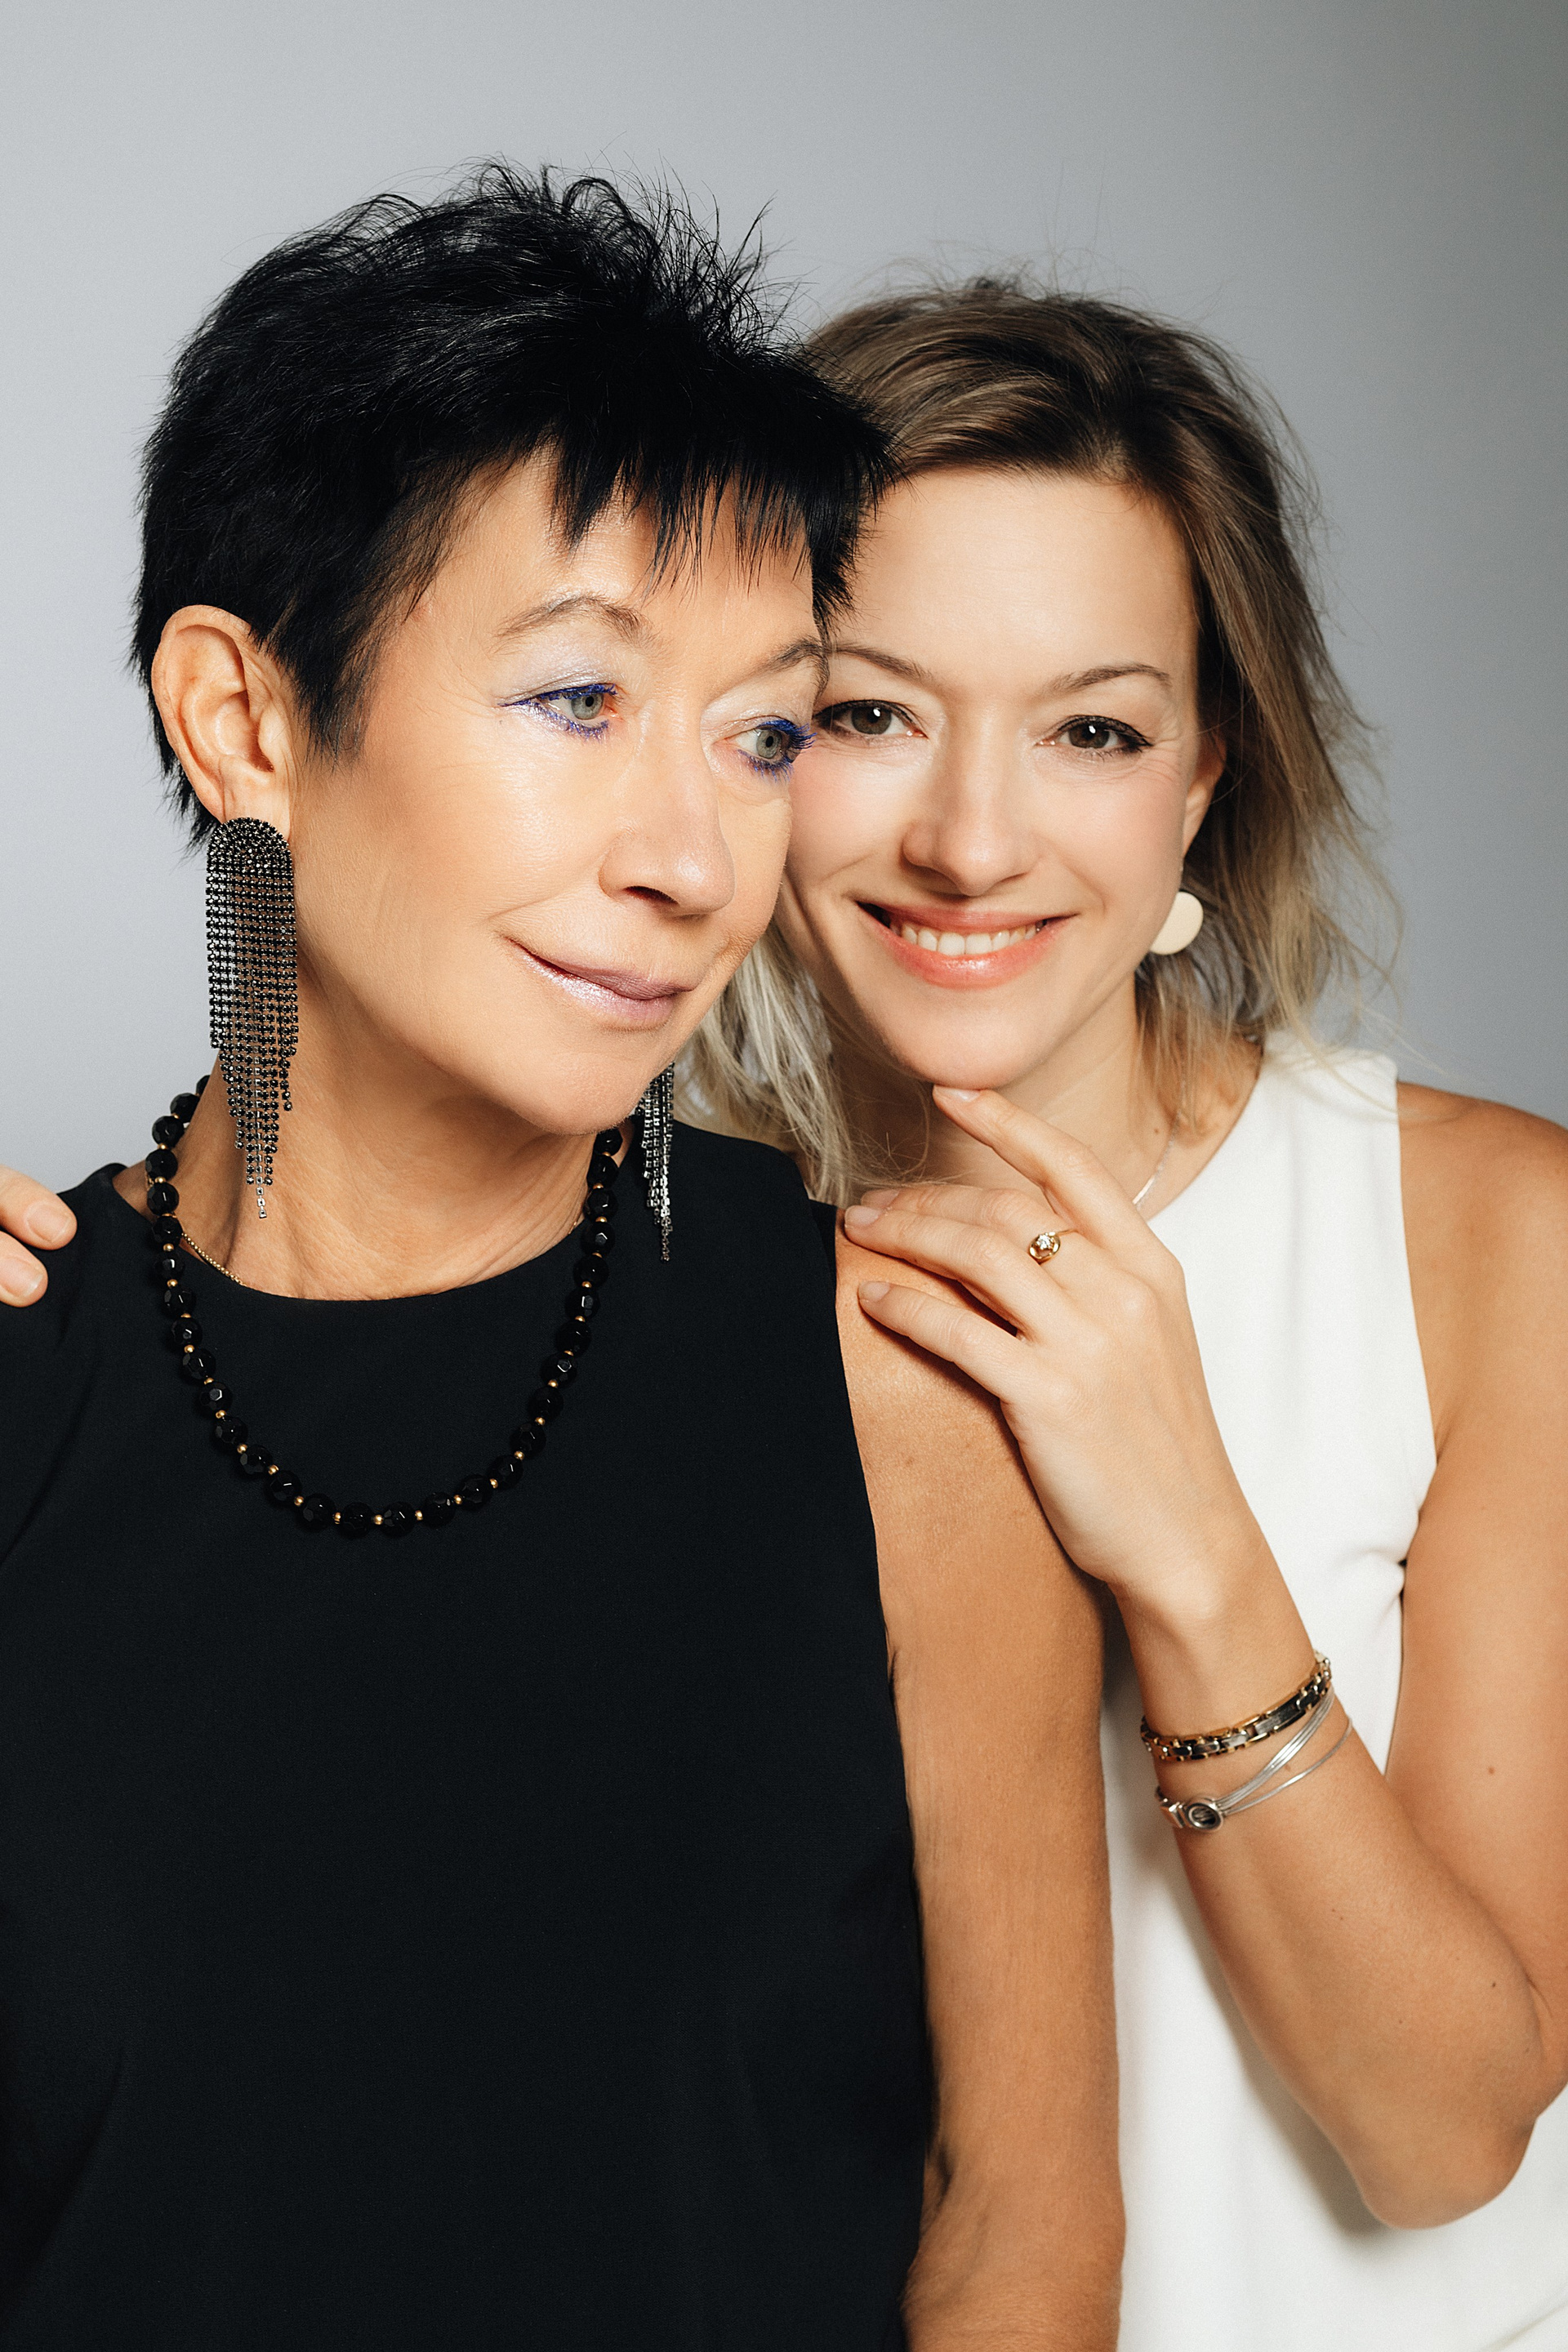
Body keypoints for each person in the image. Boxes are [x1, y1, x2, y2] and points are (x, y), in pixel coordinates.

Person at [0, 190, 1121, 2350]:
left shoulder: (896, 1376)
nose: (692, 859)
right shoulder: (24, 1380)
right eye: (581, 695)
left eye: (766, 733)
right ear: (244, 720)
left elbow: (1023, 2232)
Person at [682, 283, 1568, 2350]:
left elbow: (1447, 2135)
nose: (972, 840)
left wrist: (1184, 1533)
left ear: (1203, 774)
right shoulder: (648, 1294)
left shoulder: (1478, 1237)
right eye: (871, 713)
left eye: (1091, 729)